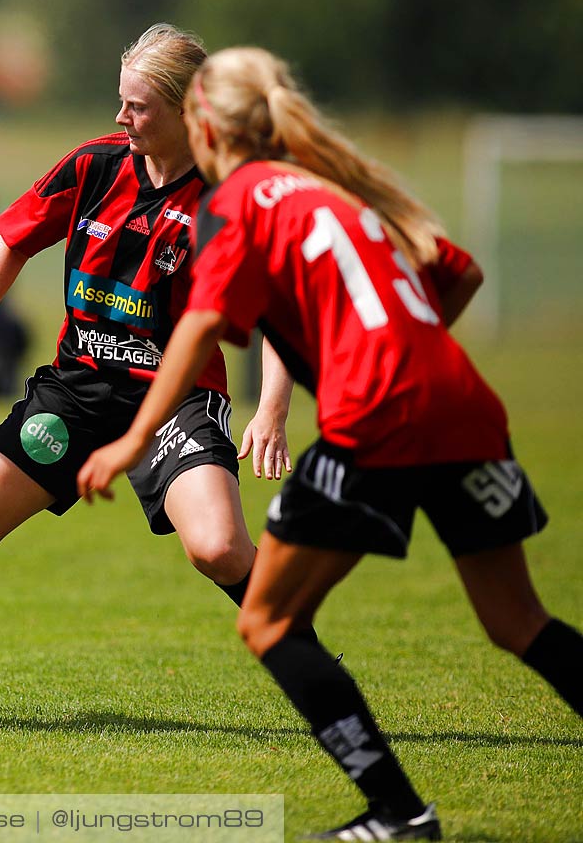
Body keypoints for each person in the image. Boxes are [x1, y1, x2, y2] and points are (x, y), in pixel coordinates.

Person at [78, 47, 580, 842]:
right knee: (518, 621)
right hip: (463, 404)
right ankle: (397, 812)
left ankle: (398, 811)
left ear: (203, 124)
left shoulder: (233, 198)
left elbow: (205, 324)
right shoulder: (331, 186)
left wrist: (133, 437)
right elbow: (460, 272)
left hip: (378, 416)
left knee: (268, 623)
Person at [0, 25, 294, 723]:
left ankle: (308, 662)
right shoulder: (95, 167)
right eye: (119, 101)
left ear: (187, 110)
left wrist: (273, 409)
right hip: (77, 389)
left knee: (219, 547)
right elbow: (8, 244)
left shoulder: (228, 197)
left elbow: (284, 310)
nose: (121, 118)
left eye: (136, 106)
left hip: (176, 402)